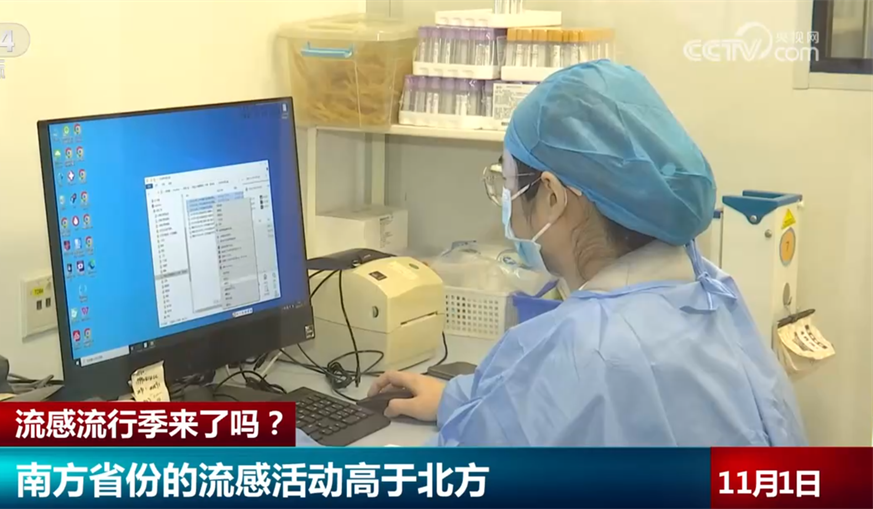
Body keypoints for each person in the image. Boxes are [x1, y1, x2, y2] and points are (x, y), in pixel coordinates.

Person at [298, 60, 806, 447]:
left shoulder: (580, 351)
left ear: (554, 196)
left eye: (509, 184)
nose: (507, 205)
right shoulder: (712, 294)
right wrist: (460, 399)